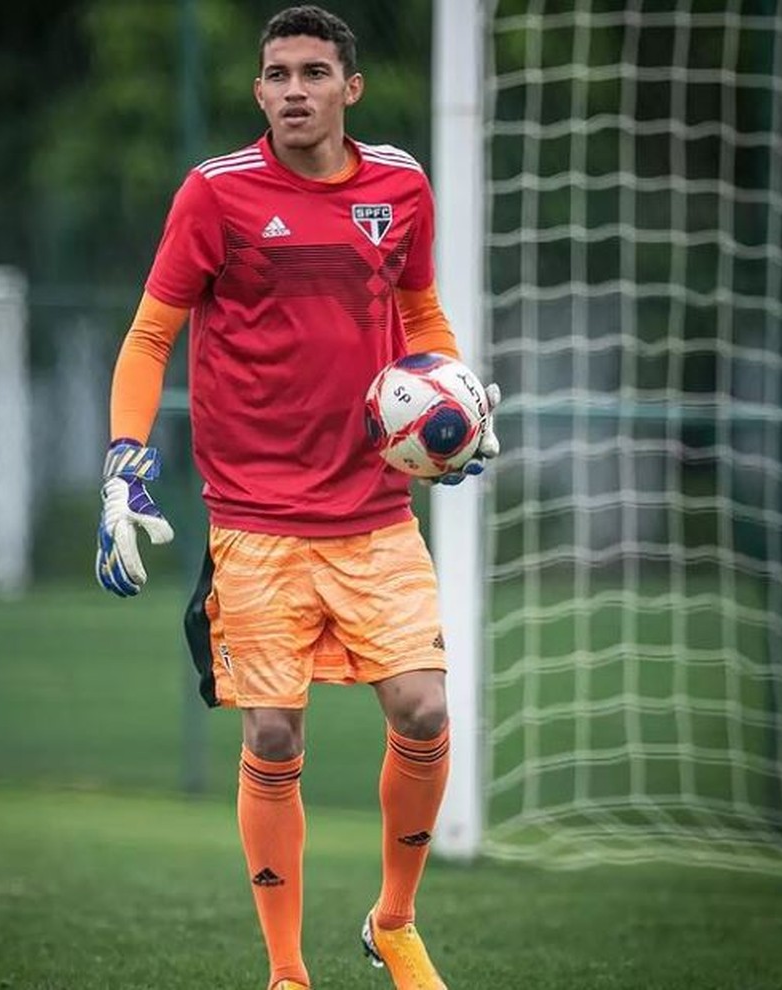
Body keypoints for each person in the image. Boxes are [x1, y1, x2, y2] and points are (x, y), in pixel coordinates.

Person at [95, 6, 499, 989]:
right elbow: (152, 336)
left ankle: (393, 922)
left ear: (349, 88)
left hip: (374, 515)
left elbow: (419, 308)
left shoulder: (400, 185)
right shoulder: (215, 196)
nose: (294, 90)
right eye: (277, 74)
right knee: (274, 733)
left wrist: (450, 397)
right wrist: (121, 463)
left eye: (314, 72)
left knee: (426, 712)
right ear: (259, 93)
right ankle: (286, 972)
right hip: (255, 522)